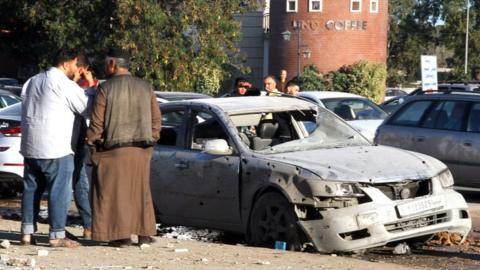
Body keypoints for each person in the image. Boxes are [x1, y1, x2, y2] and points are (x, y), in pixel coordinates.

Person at [86, 48, 161, 247]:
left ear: (113, 64)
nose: (104, 66)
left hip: (112, 150)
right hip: (142, 149)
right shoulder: (146, 86)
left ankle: (121, 236)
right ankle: (144, 234)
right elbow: (156, 118)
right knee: (140, 192)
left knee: (114, 194)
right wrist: (152, 138)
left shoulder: (105, 88)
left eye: (106, 63)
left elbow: (97, 123)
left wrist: (92, 142)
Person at [20, 49, 91, 247]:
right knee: (59, 191)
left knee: (31, 190)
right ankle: (57, 235)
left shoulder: (31, 81)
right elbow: (87, 108)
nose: (77, 70)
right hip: (56, 147)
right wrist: (91, 85)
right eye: (77, 66)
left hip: (31, 145)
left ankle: (27, 232)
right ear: (70, 63)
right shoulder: (64, 84)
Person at [70, 55, 96, 240]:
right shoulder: (71, 89)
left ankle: (29, 228)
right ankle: (88, 227)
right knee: (78, 184)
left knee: (77, 184)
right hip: (73, 142)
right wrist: (91, 85)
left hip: (73, 141)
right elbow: (89, 108)